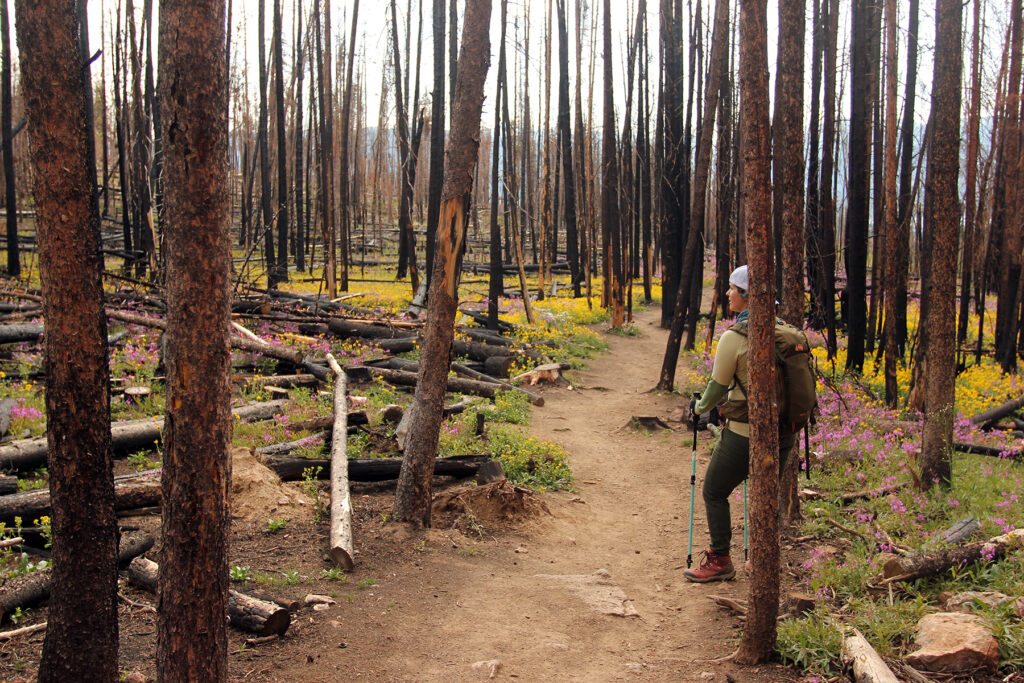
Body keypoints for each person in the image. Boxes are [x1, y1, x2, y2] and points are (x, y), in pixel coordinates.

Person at [684, 265, 797, 582]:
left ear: (747, 295)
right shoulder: (785, 331)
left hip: (746, 435)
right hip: (786, 433)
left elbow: (716, 388)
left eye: (734, 288)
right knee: (766, 493)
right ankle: (764, 559)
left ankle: (720, 560)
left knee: (714, 491)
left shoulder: (734, 338)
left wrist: (699, 407)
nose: (729, 293)